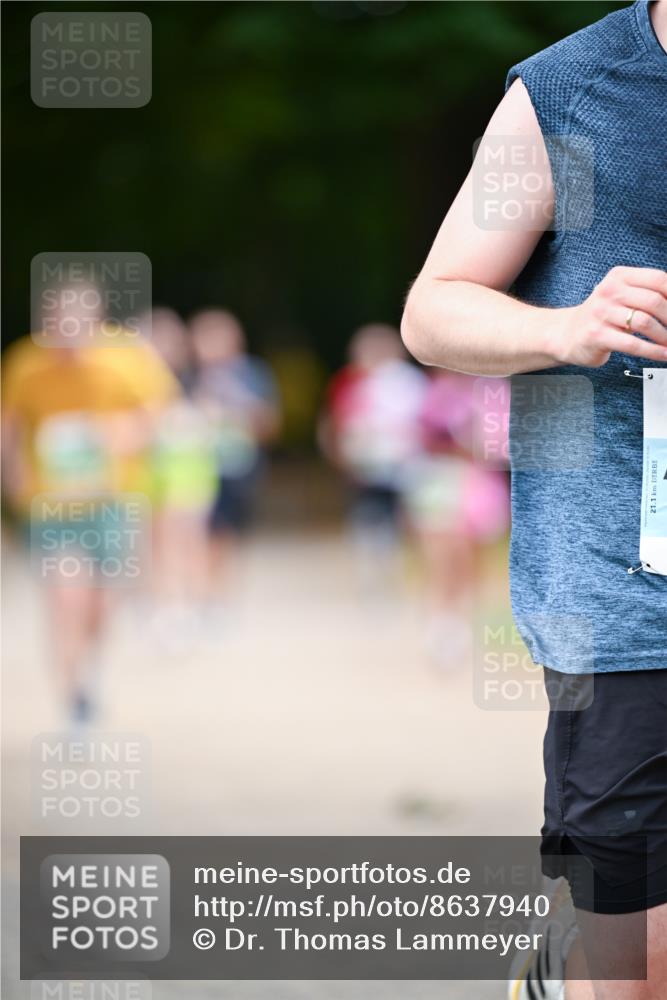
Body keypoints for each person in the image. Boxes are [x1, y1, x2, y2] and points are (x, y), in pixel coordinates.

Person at [401, 2, 666, 998]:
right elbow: (433, 309)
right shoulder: (565, 95)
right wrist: (566, 328)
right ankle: (570, 965)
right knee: (637, 976)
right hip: (629, 603)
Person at [2, 284, 175, 725]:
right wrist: (13, 472)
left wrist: (116, 434)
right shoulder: (25, 363)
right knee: (65, 599)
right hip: (50, 504)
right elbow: (9, 427)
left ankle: (89, 670)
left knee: (100, 606)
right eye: (59, 322)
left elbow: (158, 417)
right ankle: (71, 698)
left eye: (78, 323)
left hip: (112, 502)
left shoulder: (127, 358)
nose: (68, 333)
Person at [402, 370, 509, 667]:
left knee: (469, 560)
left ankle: (460, 621)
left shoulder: (493, 391)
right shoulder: (436, 391)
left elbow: (500, 444)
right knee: (440, 555)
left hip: (478, 484)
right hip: (441, 480)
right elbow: (419, 438)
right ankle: (441, 622)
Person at [320, 323, 427, 589]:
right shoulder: (351, 382)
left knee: (396, 516)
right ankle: (374, 568)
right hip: (365, 465)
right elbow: (336, 422)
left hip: (401, 464)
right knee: (367, 515)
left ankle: (390, 566)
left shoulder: (407, 383)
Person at [189, 309, 280, 601]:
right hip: (198, 467)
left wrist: (239, 413)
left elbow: (269, 422)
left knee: (227, 530)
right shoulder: (192, 378)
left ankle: (219, 590)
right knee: (202, 528)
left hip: (239, 466)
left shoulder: (252, 374)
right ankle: (206, 589)